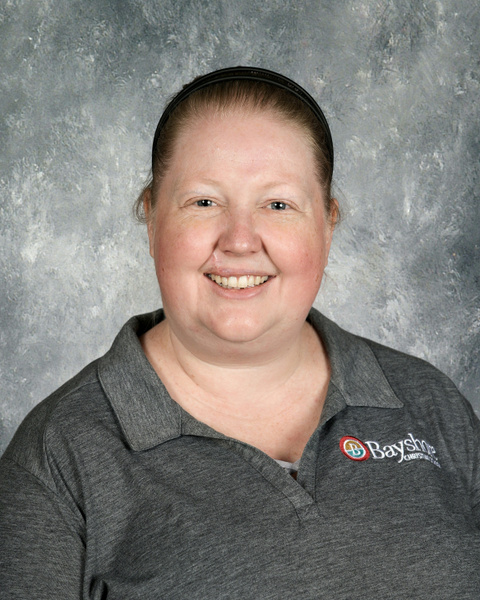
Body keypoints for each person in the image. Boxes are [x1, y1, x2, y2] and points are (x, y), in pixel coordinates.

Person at [0, 66, 479, 599]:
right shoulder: (58, 459)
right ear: (152, 219)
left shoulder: (430, 405)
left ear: (327, 224)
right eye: (204, 202)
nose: (240, 240)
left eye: (278, 205)